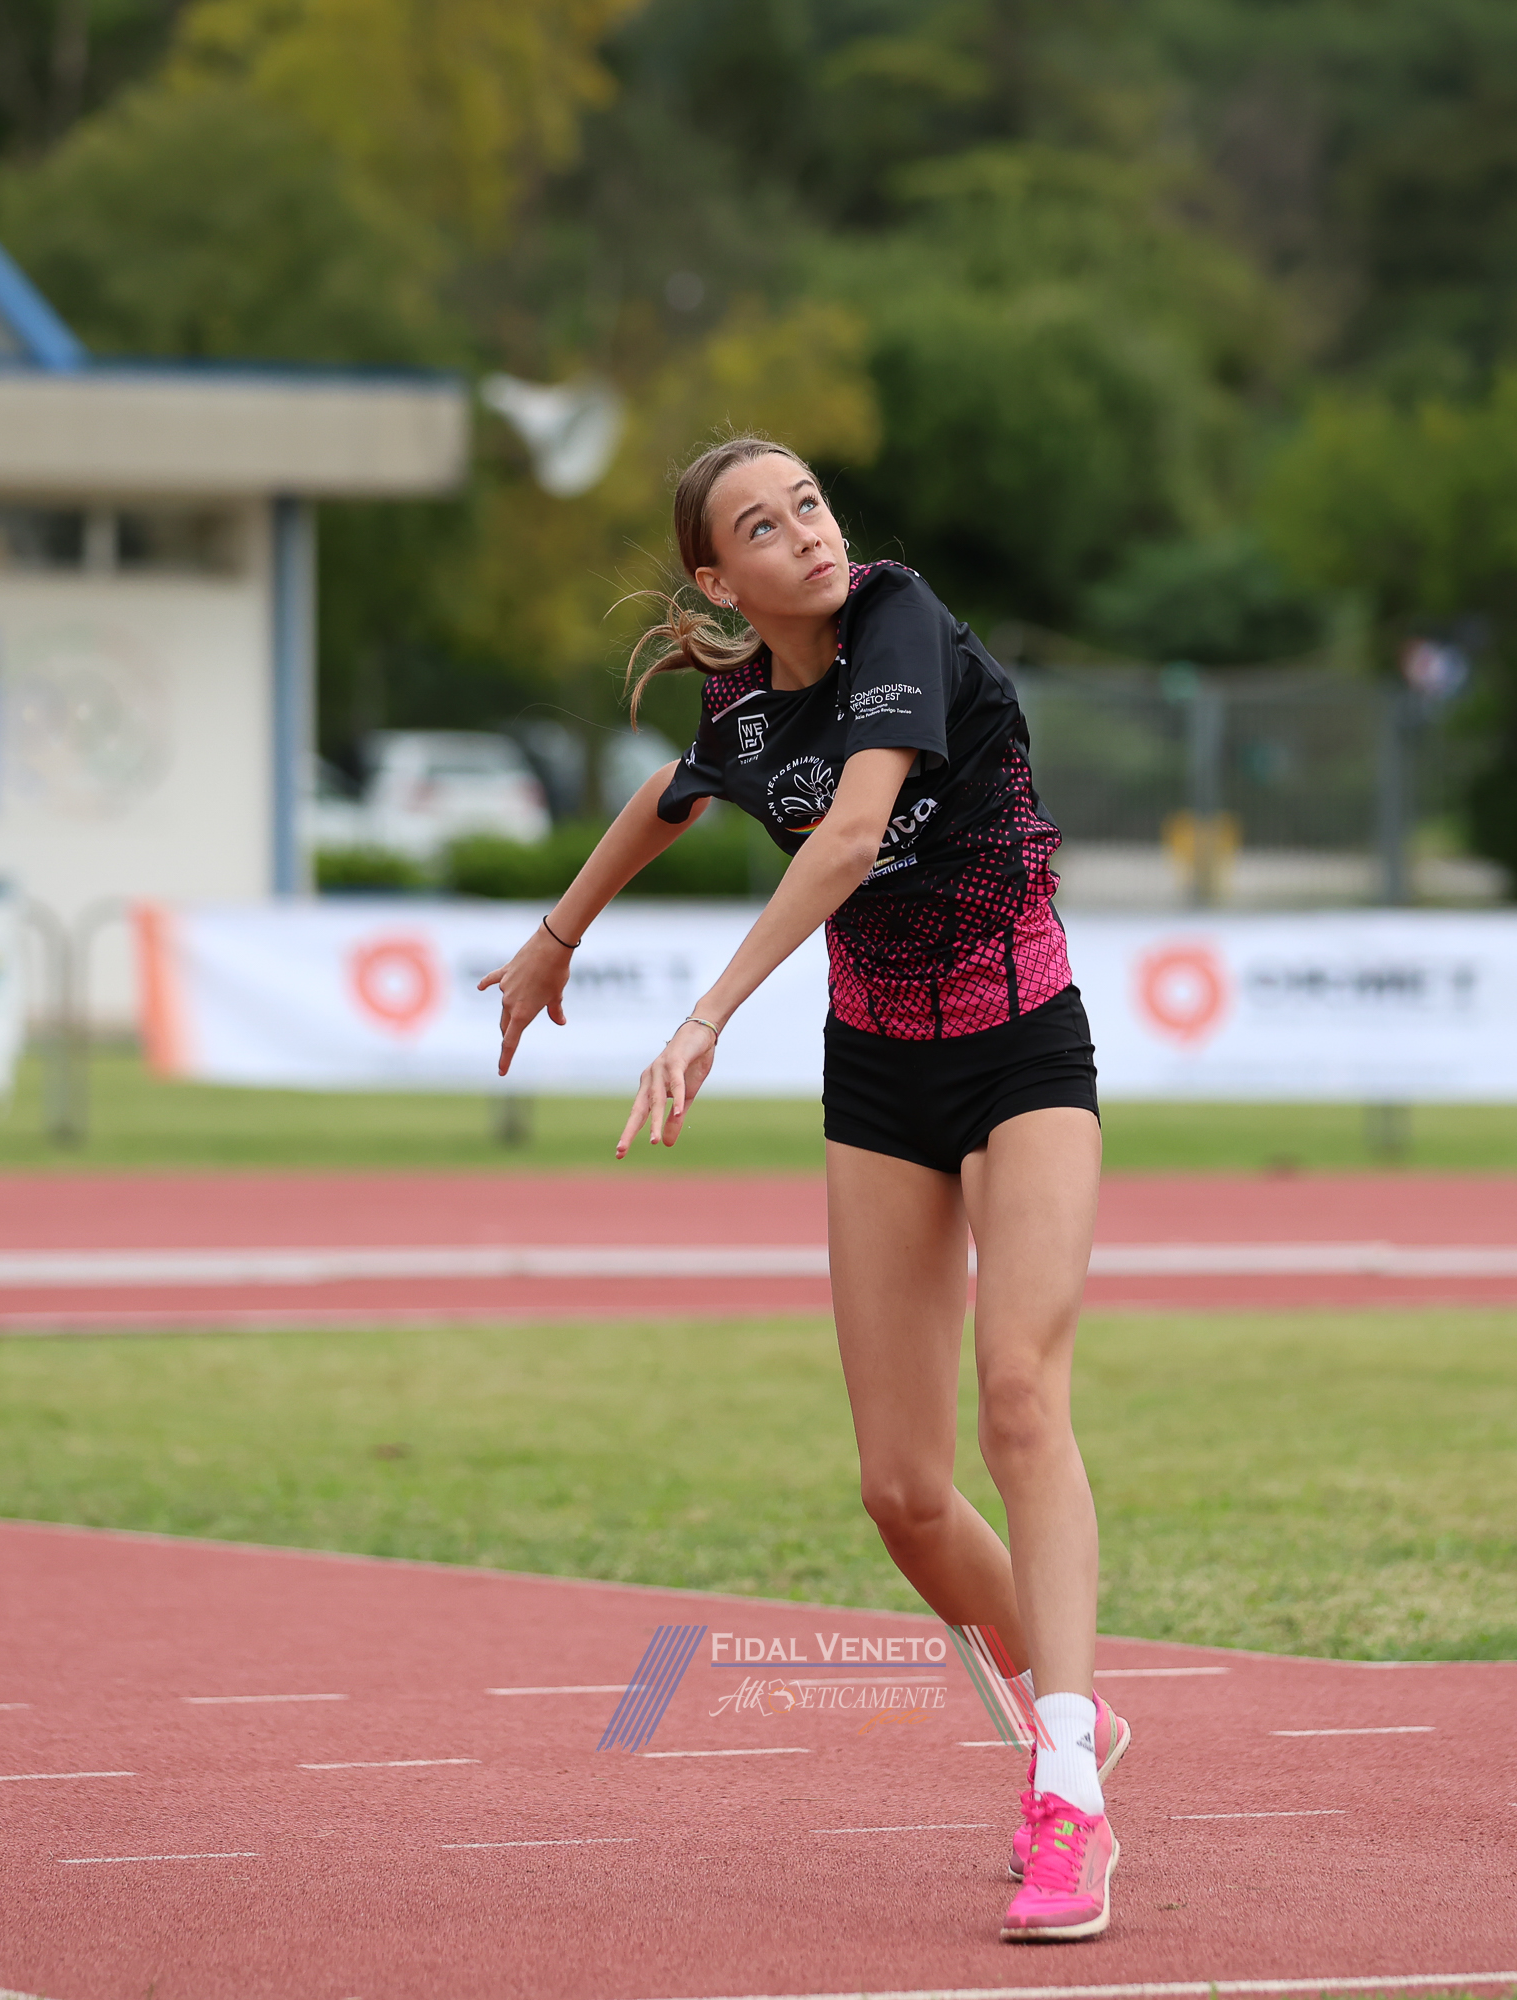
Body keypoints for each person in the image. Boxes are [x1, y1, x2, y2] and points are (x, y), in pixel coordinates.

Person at [479, 438, 1126, 1944]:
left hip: (1022, 1044)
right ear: (720, 580)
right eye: (763, 528)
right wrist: (556, 935)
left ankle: (1068, 1782)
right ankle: (1073, 1706)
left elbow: (849, 834)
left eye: (811, 504)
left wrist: (705, 1014)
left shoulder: (900, 616)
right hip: (881, 1076)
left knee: (1018, 1394)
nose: (809, 536)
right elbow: (674, 794)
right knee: (901, 1493)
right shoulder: (746, 708)